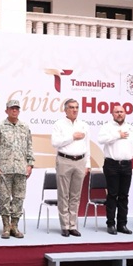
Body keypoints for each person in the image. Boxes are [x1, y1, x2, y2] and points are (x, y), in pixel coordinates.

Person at [0, 99, 34, 239]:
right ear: (6, 110)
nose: (14, 110)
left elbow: (30, 147)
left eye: (17, 108)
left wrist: (30, 164)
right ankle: (6, 226)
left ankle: (14, 226)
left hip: (20, 169)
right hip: (4, 170)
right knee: (5, 198)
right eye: (12, 108)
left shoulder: (25, 127)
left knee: (19, 198)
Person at [98, 105, 133, 235]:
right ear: (112, 114)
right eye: (116, 112)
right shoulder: (107, 127)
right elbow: (101, 139)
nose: (119, 114)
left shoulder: (131, 129)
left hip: (127, 165)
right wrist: (118, 135)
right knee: (112, 195)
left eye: (121, 112)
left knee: (124, 196)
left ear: (125, 113)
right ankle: (111, 224)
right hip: (111, 164)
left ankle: (122, 224)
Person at [51, 99, 90, 237]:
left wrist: (88, 164)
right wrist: (72, 137)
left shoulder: (84, 125)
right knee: (63, 195)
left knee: (75, 195)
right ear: (65, 109)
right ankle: (64, 226)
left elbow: (87, 145)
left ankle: (73, 225)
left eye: (77, 107)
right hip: (64, 160)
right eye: (72, 107)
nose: (75, 110)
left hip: (80, 161)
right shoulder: (59, 124)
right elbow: (55, 142)